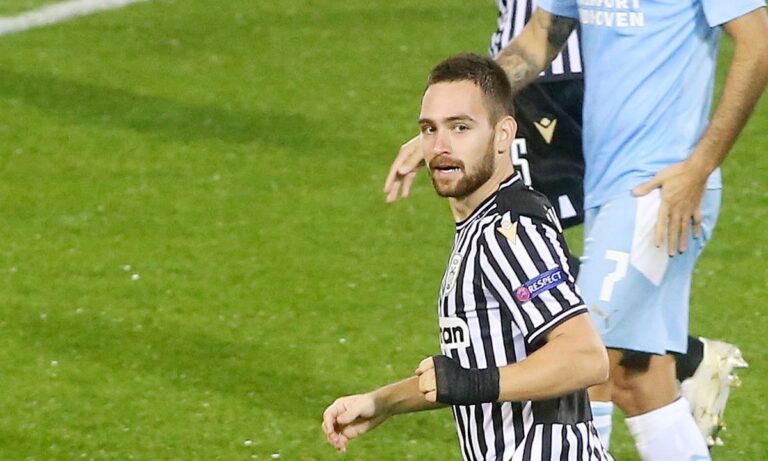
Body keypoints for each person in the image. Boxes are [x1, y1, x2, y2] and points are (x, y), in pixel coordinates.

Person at [383, 0, 757, 452]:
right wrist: (449, 130)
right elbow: (540, 37)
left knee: (578, 362)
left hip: (660, 189)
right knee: (643, 380)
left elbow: (759, 42)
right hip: (609, 189)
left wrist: (700, 166)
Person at [322, 53, 613, 460]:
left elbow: (585, 357)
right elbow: (472, 371)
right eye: (429, 129)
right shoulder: (482, 225)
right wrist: (383, 402)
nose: (440, 147)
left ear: (502, 134)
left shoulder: (509, 231)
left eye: (460, 127)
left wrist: (472, 384)